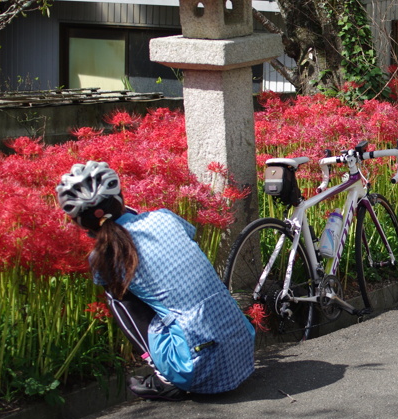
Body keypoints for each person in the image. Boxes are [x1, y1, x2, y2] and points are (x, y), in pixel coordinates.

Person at [56, 160, 255, 400]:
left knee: (118, 297)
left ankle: (164, 376)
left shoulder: (103, 256)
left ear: (77, 222)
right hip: (243, 344)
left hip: (197, 369)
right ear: (120, 197)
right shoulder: (165, 217)